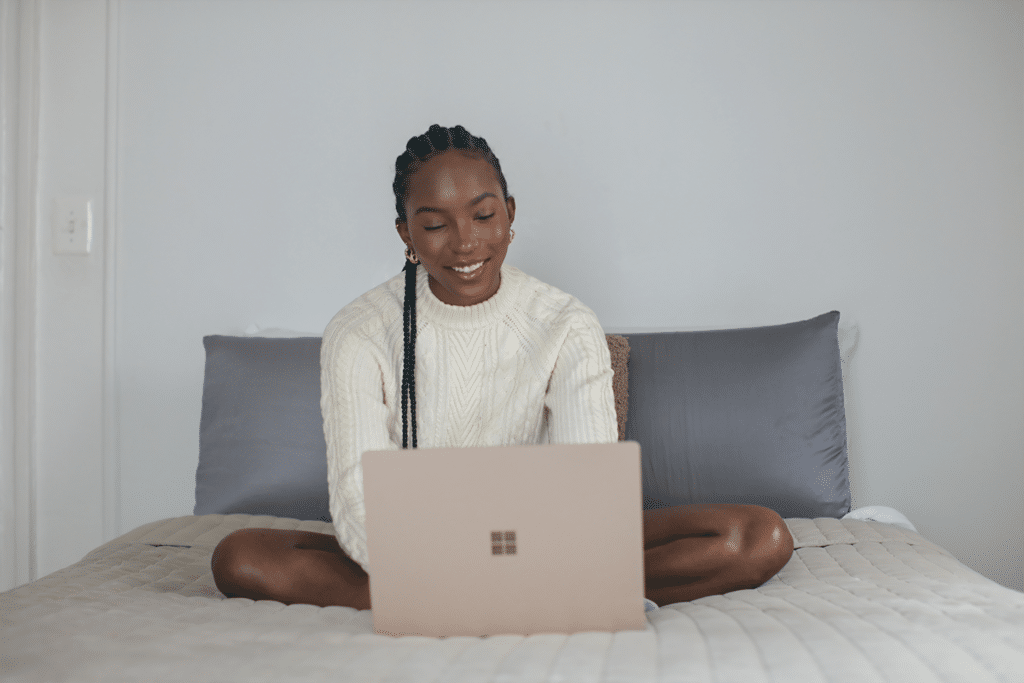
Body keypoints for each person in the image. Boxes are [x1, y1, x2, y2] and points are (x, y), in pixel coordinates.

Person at [211, 124, 794, 610]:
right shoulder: (358, 331)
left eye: (483, 215)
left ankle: (480, 597)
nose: (465, 243)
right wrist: (444, 562)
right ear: (406, 233)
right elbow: (358, 499)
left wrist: (526, 554)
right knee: (238, 557)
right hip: (419, 541)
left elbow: (587, 488)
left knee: (757, 537)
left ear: (509, 215)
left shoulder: (565, 323)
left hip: (543, 538)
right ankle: (535, 597)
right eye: (435, 224)